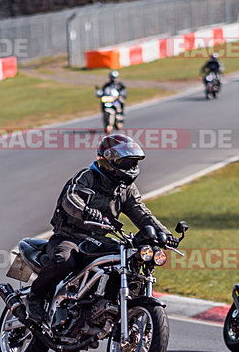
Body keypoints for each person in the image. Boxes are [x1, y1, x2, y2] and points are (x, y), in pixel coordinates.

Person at [25, 133, 173, 324]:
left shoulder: (125, 188)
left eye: (134, 162)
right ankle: (35, 297)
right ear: (110, 160)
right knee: (65, 261)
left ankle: (103, 305)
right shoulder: (88, 176)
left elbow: (141, 212)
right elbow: (70, 198)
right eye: (126, 162)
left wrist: (165, 235)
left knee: (127, 259)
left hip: (98, 239)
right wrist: (85, 211)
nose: (131, 167)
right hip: (69, 235)